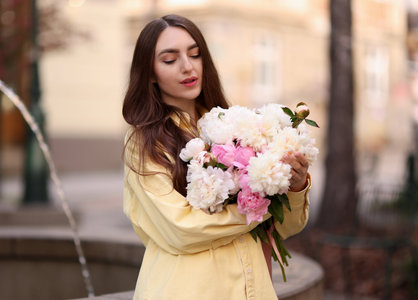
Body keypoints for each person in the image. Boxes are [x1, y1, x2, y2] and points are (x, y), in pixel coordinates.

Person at [122, 14, 311, 300]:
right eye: (170, 60)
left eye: (195, 54)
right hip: (187, 290)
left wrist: (294, 187)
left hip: (251, 287)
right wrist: (254, 210)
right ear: (149, 73)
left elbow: (285, 226)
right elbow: (180, 228)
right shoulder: (144, 142)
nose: (187, 66)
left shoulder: (236, 126)